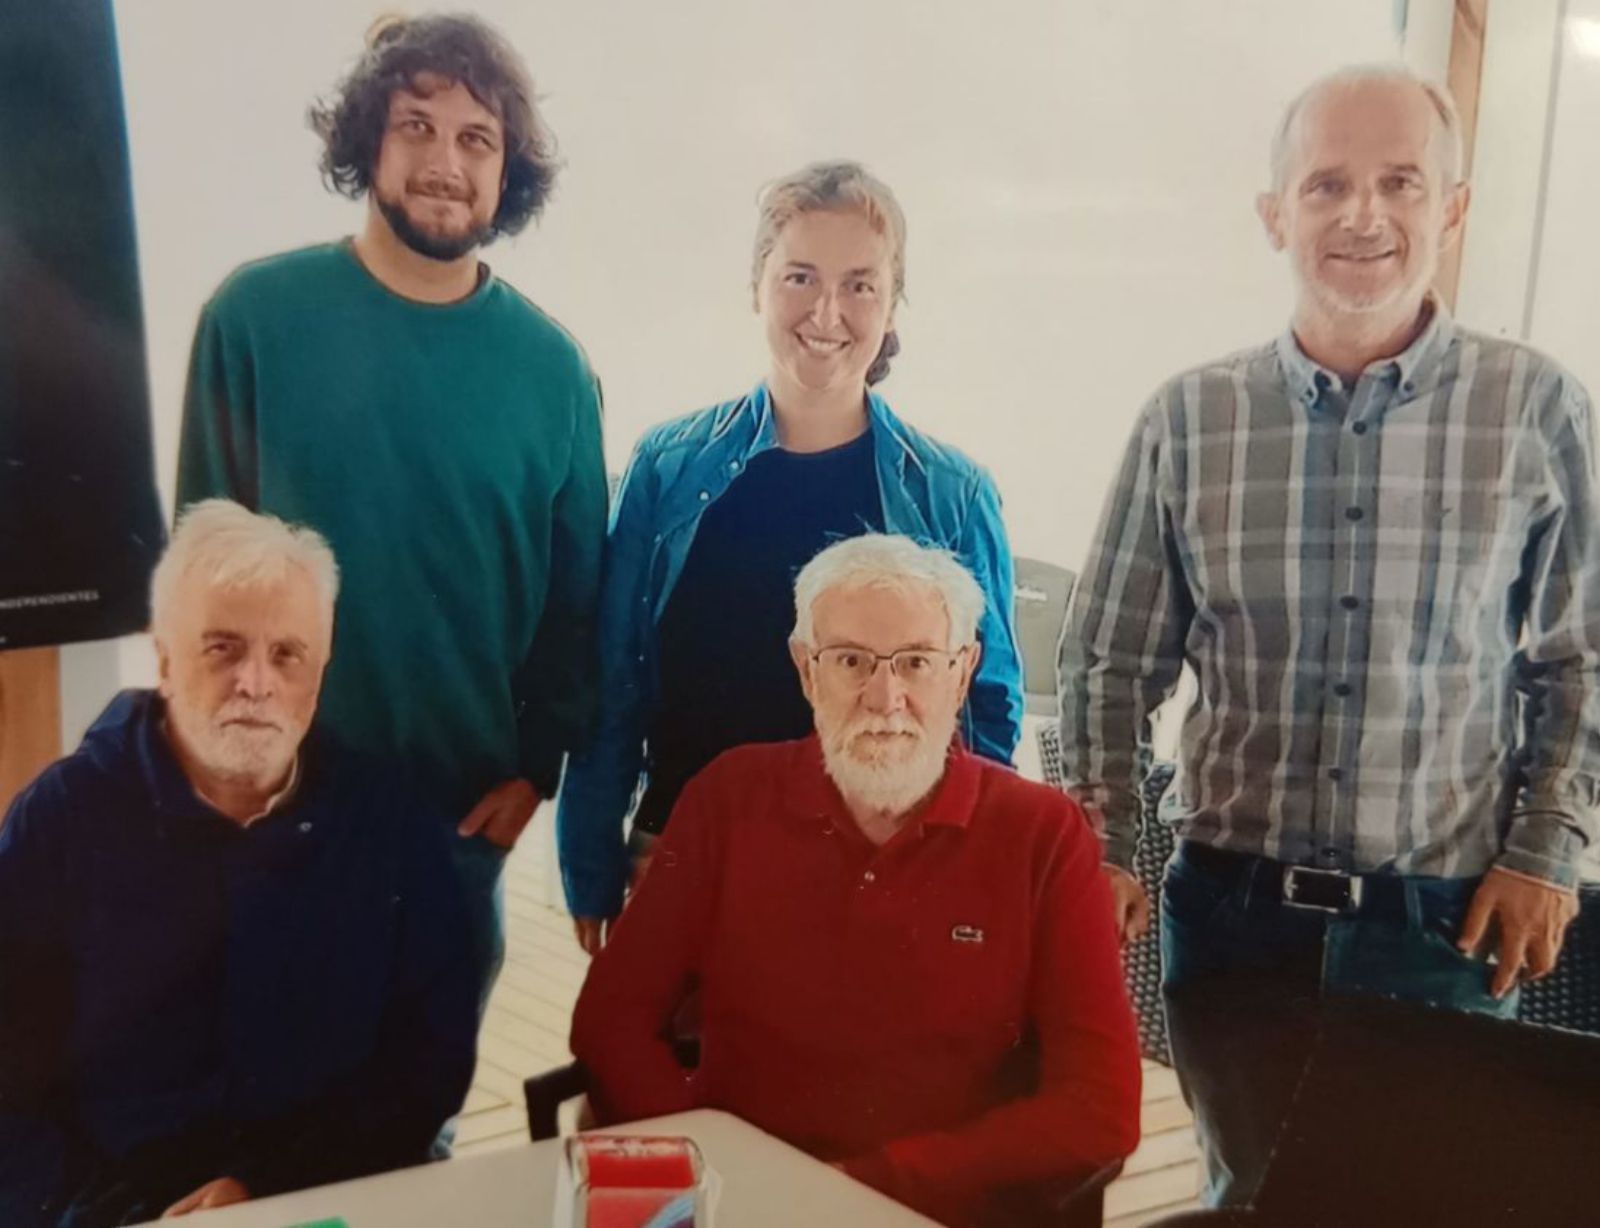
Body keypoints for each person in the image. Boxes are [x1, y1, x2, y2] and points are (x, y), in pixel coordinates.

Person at [1059, 64, 1599, 1207]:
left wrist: (1546, 848)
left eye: (1401, 182)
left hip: (1443, 925)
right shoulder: (1187, 420)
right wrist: (1102, 844)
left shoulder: (1537, 410)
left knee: (1423, 1206)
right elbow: (1108, 665)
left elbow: (1577, 660)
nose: (1364, 214)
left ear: (1450, 209)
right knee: (1250, 1201)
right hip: (1233, 921)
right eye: (1326, 184)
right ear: (1275, 214)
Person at [174, 13, 607, 1001]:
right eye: (415, 125)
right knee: (243, 1130)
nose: (443, 161)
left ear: (508, 170)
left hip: (450, 841)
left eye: (475, 138)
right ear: (368, 135)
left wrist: (533, 771)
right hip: (267, 824)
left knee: (418, 1132)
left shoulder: (554, 373)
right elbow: (196, 578)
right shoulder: (254, 320)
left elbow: (573, 614)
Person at [572, 534, 1140, 1228]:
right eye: (850, 661)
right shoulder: (730, 796)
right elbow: (611, 1017)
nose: (885, 698)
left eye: (916, 663)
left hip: (929, 1212)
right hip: (740, 1201)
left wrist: (857, 1189)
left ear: (963, 673)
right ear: (806, 670)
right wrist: (716, 1166)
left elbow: (1101, 1108)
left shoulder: (1042, 836)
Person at [557, 161, 1024, 950]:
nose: (828, 312)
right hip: (685, 859)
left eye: (861, 284)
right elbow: (613, 681)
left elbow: (988, 709)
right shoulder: (667, 468)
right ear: (757, 287)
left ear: (892, 301)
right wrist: (590, 860)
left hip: (885, 873)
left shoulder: (954, 493)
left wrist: (976, 881)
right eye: (800, 276)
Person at [0, 500, 477, 1227]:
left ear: (320, 670)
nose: (256, 683)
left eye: (287, 654)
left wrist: (274, 1187)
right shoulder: (59, 823)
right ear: (163, 659)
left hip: (325, 1193)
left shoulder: (390, 824)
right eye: (222, 648)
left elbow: (429, 1060)